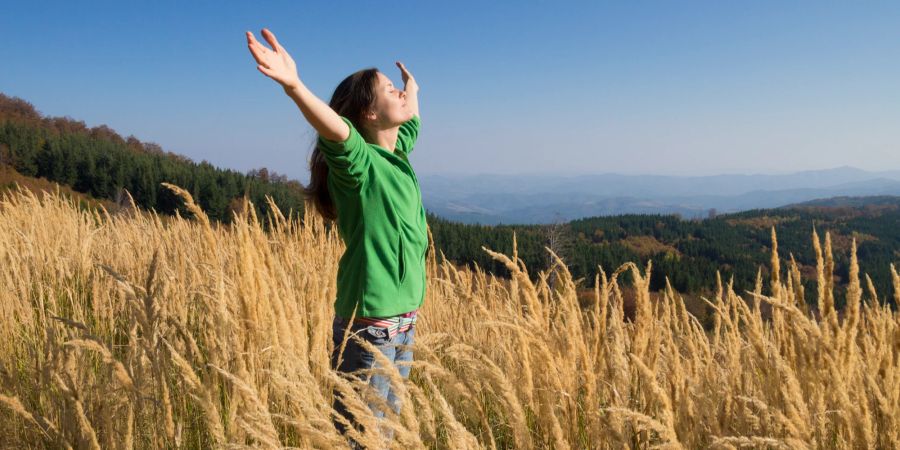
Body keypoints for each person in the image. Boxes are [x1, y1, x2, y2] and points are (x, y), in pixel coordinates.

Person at [245, 28, 427, 446]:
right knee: (358, 438)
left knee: (386, 433)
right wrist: (294, 87)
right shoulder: (359, 167)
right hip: (370, 330)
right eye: (389, 90)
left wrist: (412, 88)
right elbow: (337, 133)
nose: (399, 93)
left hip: (404, 325)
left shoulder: (397, 153)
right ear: (368, 113)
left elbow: (412, 120)